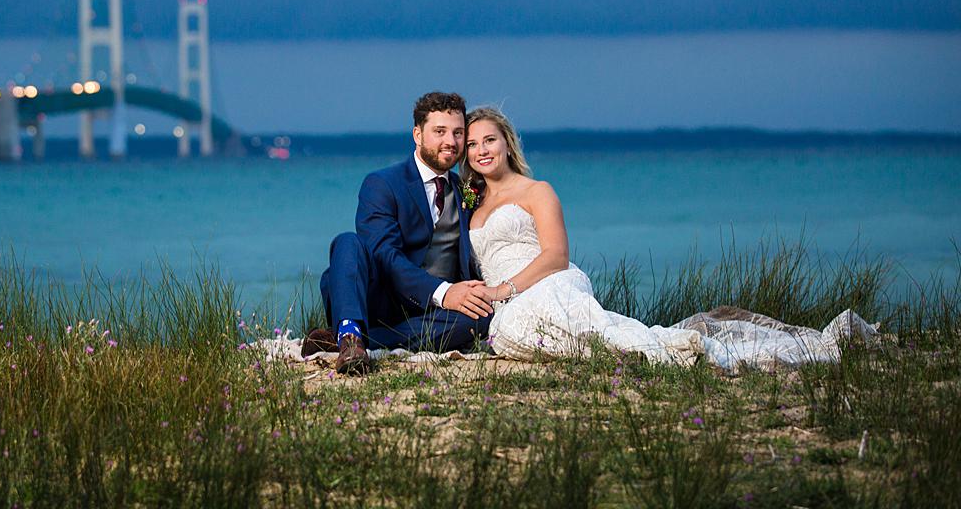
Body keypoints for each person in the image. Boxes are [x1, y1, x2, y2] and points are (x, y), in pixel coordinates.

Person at [462, 105, 877, 370]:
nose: (482, 150)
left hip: (547, 282)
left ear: (506, 143)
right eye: (473, 144)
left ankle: (663, 352)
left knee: (571, 325)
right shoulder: (469, 205)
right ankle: (646, 350)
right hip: (504, 303)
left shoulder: (538, 191)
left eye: (490, 140)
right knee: (511, 335)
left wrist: (505, 288)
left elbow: (555, 255)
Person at [307, 92, 495, 374]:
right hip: (381, 300)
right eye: (439, 131)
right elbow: (384, 255)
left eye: (458, 133)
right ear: (417, 135)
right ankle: (349, 332)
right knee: (347, 242)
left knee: (481, 317)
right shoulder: (382, 183)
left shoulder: (465, 190)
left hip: (432, 316)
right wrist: (444, 293)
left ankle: (357, 342)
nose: (450, 141)